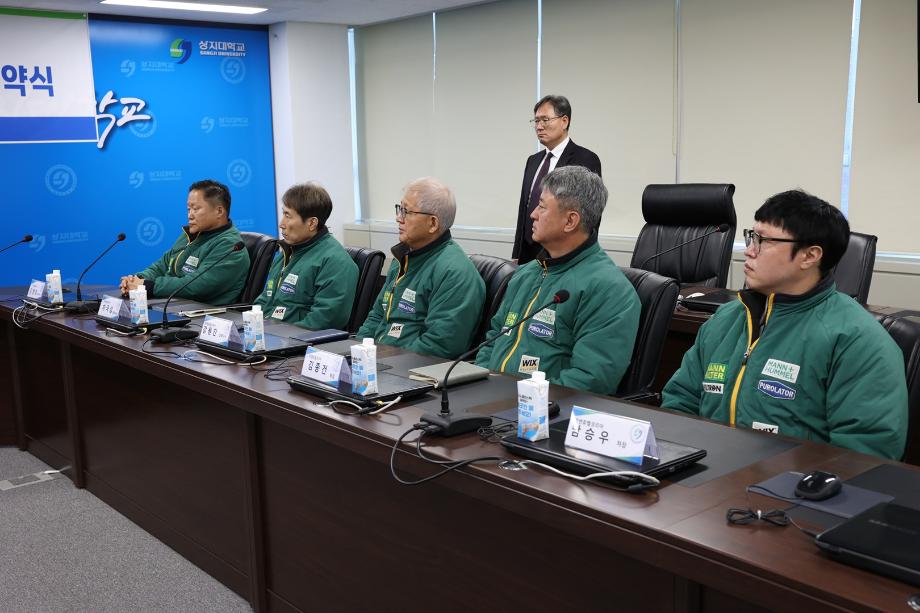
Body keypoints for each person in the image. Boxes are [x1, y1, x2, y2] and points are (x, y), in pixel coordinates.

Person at [662, 189, 907, 460]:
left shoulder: (858, 340)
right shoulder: (726, 319)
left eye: (764, 241)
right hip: (708, 473)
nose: (749, 250)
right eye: (751, 236)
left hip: (794, 484)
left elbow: (864, 454)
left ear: (809, 256)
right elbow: (680, 400)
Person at [478, 166, 640, 395]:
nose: (533, 214)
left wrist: (524, 402)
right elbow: (492, 342)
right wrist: (479, 388)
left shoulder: (610, 290)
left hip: (544, 410)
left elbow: (591, 379)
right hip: (491, 400)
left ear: (570, 221)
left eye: (542, 206)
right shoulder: (525, 274)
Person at [357, 178, 485, 359]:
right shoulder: (402, 259)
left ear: (433, 223)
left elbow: (440, 345)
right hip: (379, 361)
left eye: (406, 211)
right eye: (399, 209)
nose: (398, 218)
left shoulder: (455, 273)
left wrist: (388, 363)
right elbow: (376, 317)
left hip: (409, 368)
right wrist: (358, 354)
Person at [120, 179, 250, 305]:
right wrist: (136, 279)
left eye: (196, 209)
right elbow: (162, 265)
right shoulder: (189, 235)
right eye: (188, 209)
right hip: (172, 306)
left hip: (204, 314)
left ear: (219, 211)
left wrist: (148, 286)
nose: (190, 215)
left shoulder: (230, 246)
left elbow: (196, 285)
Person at [255, 182, 358, 330]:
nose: (281, 224)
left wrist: (279, 336)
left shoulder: (336, 262)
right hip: (268, 334)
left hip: (294, 341)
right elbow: (264, 301)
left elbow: (324, 321)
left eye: (288, 216)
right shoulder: (287, 252)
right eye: (283, 214)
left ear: (312, 223)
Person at [512, 94, 602, 265]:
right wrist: (517, 252)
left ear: (564, 121)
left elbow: (589, 217)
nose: (539, 126)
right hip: (527, 255)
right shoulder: (533, 161)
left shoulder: (585, 159)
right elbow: (524, 209)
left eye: (545, 120)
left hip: (562, 256)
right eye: (536, 121)